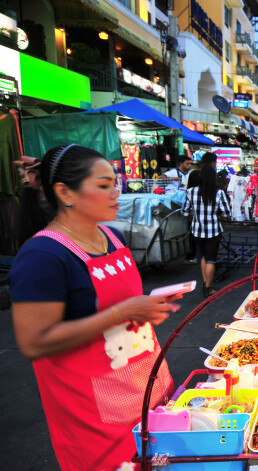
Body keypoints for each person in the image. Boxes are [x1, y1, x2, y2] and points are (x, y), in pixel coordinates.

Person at [8, 144, 178, 471]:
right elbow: (34, 342)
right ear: (64, 192)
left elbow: (121, 307)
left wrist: (146, 309)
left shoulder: (111, 237)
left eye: (115, 183)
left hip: (150, 394)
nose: (116, 192)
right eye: (103, 186)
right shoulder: (42, 257)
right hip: (97, 421)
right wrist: (123, 312)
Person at [183, 152, 231, 297]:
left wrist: (196, 214)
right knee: (211, 259)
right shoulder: (218, 193)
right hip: (214, 230)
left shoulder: (190, 192)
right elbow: (227, 213)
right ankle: (208, 288)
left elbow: (185, 212)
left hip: (197, 230)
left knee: (203, 256)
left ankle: (205, 283)